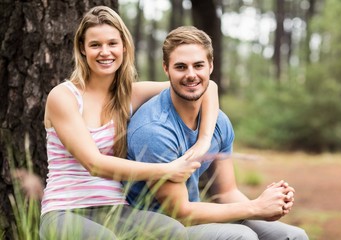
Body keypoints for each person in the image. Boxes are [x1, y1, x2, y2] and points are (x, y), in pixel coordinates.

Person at [39, 7, 220, 240]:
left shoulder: (129, 96)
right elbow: (94, 163)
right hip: (64, 211)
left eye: (112, 43)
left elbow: (208, 87)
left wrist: (203, 142)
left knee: (173, 232)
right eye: (95, 45)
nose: (105, 52)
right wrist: (167, 170)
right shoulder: (63, 96)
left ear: (124, 47)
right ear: (82, 49)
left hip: (115, 210)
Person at [126, 26, 309, 240]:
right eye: (181, 67)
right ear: (166, 69)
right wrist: (256, 207)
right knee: (242, 237)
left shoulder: (218, 122)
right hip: (158, 226)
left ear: (210, 66)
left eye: (198, 65)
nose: (191, 75)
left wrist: (269, 205)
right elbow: (181, 212)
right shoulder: (154, 129)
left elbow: (225, 193)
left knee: (293, 236)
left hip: (196, 214)